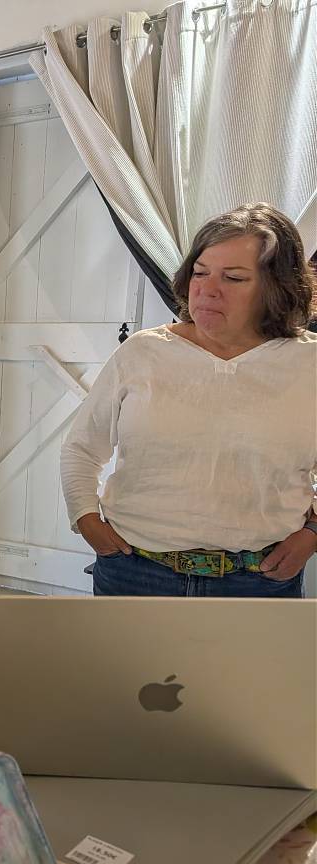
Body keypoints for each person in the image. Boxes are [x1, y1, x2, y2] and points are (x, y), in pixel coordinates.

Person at [61, 203, 317, 598]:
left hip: (259, 581)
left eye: (233, 277)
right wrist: (86, 517)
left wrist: (312, 533)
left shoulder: (309, 363)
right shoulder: (142, 352)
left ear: (277, 287)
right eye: (200, 272)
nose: (207, 289)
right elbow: (82, 447)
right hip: (135, 572)